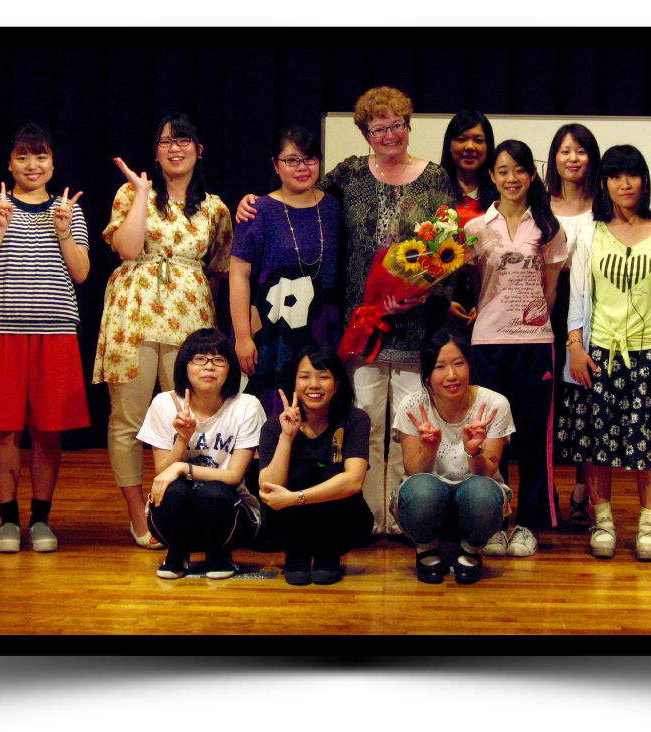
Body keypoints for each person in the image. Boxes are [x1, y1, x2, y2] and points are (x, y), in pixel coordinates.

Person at [236, 86, 454, 541]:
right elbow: (297, 189)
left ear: (409, 126)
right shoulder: (350, 175)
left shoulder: (435, 179)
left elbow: (448, 248)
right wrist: (249, 201)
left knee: (411, 427)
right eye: (378, 128)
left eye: (397, 125)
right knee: (366, 424)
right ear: (364, 134)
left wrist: (425, 289)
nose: (389, 135)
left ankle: (408, 517)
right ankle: (369, 517)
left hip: (416, 326)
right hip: (359, 329)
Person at [93, 113, 233, 551]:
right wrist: (138, 193)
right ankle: (141, 517)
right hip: (131, 318)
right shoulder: (132, 193)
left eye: (184, 140)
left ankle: (180, 508)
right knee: (128, 422)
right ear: (155, 151)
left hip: (189, 321)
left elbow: (221, 269)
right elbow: (128, 248)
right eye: (166, 142)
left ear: (199, 149)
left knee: (188, 420)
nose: (176, 149)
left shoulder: (214, 207)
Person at [0, 123, 90, 554]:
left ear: (53, 163)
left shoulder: (67, 209)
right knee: (2, 431)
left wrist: (64, 230)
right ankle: (7, 521)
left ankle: (40, 519)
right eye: (23, 156)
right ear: (10, 163)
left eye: (40, 157)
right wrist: (0, 225)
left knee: (48, 431)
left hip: (55, 332)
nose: (32, 165)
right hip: (0, 330)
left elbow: (82, 273)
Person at [559, 144, 651, 561]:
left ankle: (650, 525)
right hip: (598, 355)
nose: (625, 183)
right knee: (598, 443)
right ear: (604, 183)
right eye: (616, 176)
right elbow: (578, 296)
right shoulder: (589, 233)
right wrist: (575, 347)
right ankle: (603, 521)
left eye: (632, 175)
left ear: (644, 181)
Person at [465, 139, 567, 558]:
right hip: (487, 342)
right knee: (491, 438)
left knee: (531, 438)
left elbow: (551, 288)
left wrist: (528, 319)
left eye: (520, 170)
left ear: (531, 175)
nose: (512, 178)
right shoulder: (475, 228)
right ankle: (492, 521)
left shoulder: (548, 226)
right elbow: (474, 286)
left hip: (533, 344)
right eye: (503, 170)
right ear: (492, 176)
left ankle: (528, 524)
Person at [230, 124, 343, 417]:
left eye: (310, 159)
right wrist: (243, 337)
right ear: (275, 165)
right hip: (272, 332)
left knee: (320, 412)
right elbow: (238, 275)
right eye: (292, 160)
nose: (302, 167)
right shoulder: (257, 210)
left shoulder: (334, 207)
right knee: (270, 410)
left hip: (322, 330)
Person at [136, 329, 265, 579]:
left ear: (230, 369)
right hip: (171, 516)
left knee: (213, 491)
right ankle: (176, 555)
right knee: (176, 490)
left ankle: (219, 555)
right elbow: (163, 474)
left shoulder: (246, 406)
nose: (209, 367)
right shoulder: (164, 404)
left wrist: (186, 468)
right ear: (185, 365)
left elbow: (235, 476)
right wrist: (182, 438)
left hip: (232, 515)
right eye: (199, 359)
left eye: (219, 360)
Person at [391, 328, 514, 584]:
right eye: (440, 366)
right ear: (427, 375)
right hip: (428, 503)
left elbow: (487, 473)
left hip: (473, 503)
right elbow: (414, 473)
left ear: (470, 366)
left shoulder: (494, 404)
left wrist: (473, 450)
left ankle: (471, 550)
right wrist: (430, 448)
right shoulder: (413, 406)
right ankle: (427, 548)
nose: (451, 375)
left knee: (483, 493)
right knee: (421, 491)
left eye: (459, 364)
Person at [258, 345, 372, 585]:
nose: (314, 385)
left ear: (337, 384)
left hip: (340, 523)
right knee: (298, 471)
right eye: (305, 377)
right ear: (294, 383)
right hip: (289, 526)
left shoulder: (355, 420)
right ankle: (296, 554)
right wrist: (286, 438)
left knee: (331, 471)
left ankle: (328, 555)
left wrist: (295, 498)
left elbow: (353, 482)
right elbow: (270, 486)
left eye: (323, 377)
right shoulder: (274, 426)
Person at [546, 123, 602, 529]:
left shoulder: (605, 204)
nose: (572, 158)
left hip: (593, 307)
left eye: (580, 151)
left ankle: (582, 495)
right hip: (546, 303)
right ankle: (543, 493)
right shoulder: (540, 203)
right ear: (554, 158)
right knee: (546, 402)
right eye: (565, 151)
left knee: (585, 403)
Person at [438, 110, 499, 334]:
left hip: (492, 293)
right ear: (450, 145)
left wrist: (482, 303)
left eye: (478, 140)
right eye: (461, 139)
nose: (470, 147)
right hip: (443, 297)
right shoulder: (434, 193)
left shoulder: (502, 196)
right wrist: (442, 302)